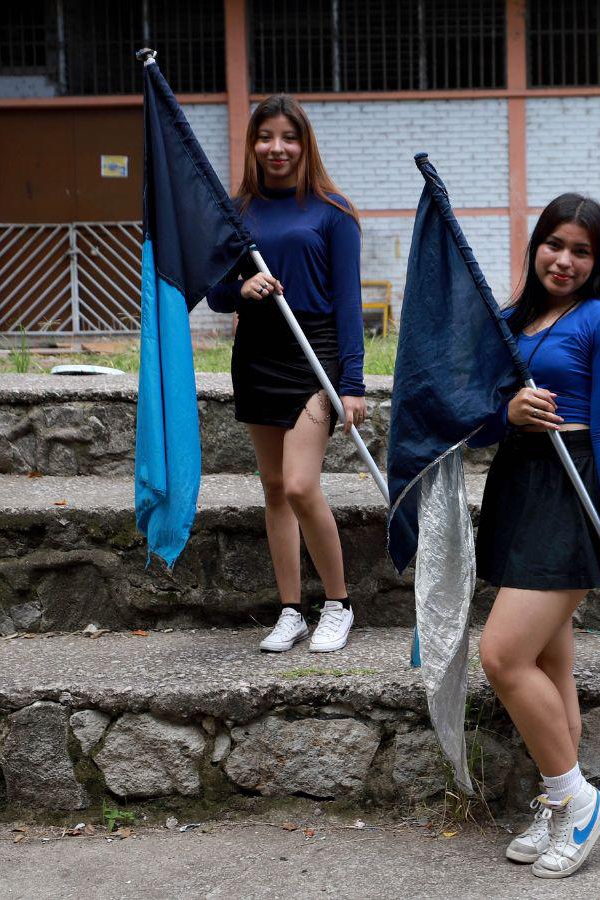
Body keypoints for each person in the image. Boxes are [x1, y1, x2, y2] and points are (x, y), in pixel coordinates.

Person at [471, 194, 600, 879]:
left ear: (597, 261)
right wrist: (507, 410)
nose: (564, 260)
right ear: (535, 245)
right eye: (555, 244)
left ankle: (579, 798)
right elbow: (477, 421)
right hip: (518, 486)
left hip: (573, 496)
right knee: (549, 665)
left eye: (581, 250)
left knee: (502, 655)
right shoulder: (511, 321)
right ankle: (556, 801)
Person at [206, 95, 366, 654]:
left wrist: (352, 383)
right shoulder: (236, 212)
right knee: (274, 489)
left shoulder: (333, 211)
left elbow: (349, 302)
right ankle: (291, 610)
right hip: (256, 355)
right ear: (252, 145)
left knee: (300, 484)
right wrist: (241, 291)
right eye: (266, 137)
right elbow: (216, 290)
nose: (277, 148)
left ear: (305, 144)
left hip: (313, 353)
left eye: (288, 137)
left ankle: (339, 605)